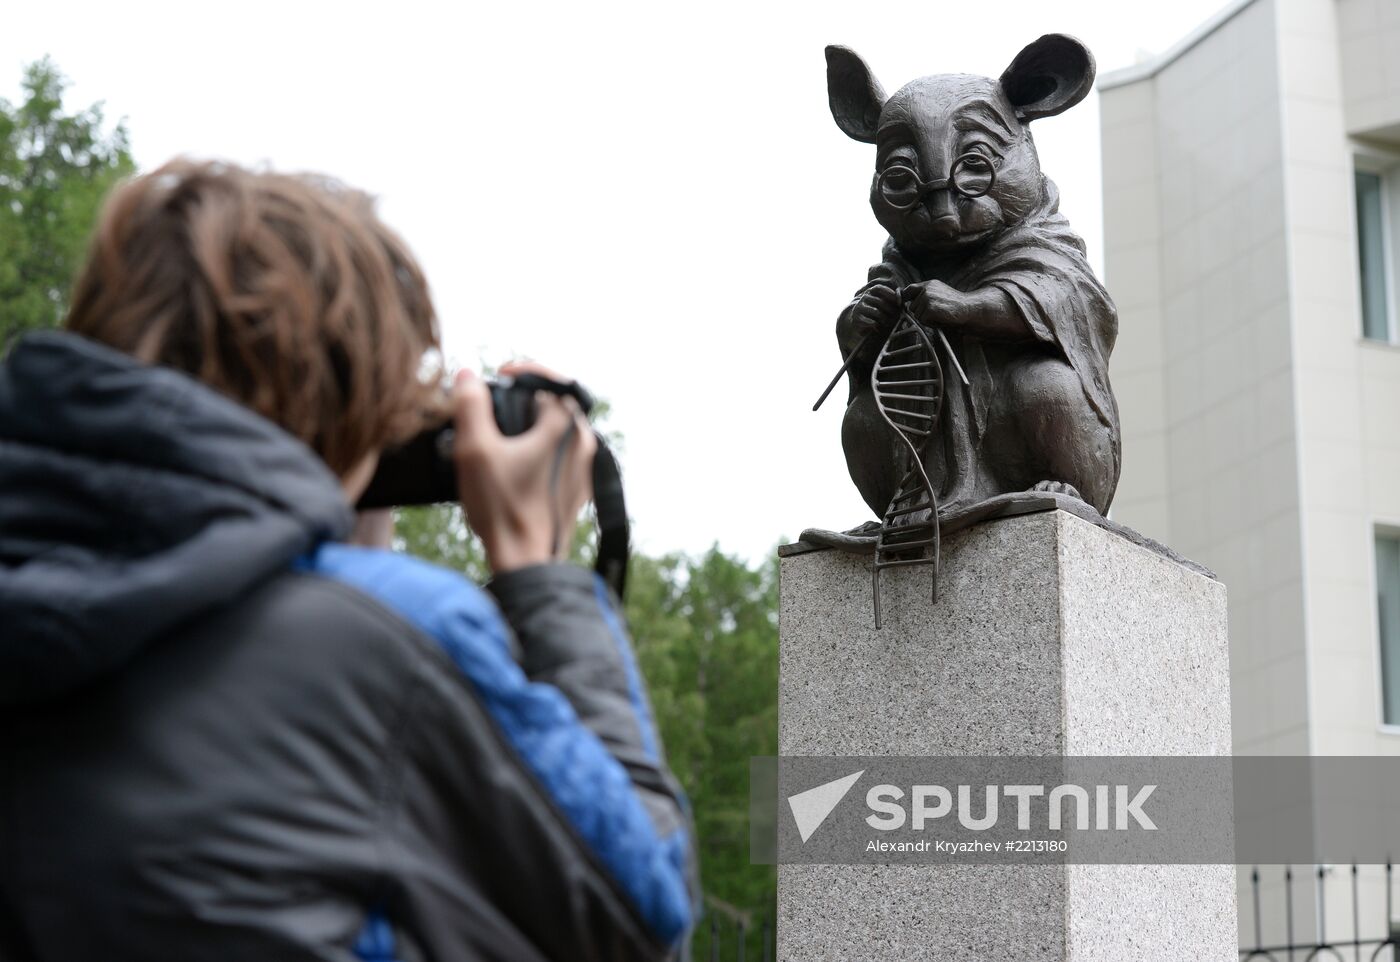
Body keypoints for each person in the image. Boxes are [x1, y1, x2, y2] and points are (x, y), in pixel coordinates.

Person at [0, 160, 697, 961]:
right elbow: (639, 917)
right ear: (349, 399)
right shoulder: (397, 638)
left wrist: (330, 526)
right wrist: (538, 570)